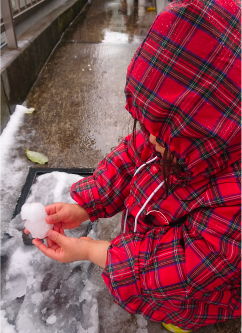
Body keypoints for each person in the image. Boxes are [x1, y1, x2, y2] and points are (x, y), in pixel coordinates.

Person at [26, 0, 241, 331]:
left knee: (173, 293)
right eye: (147, 126)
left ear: (208, 134)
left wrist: (96, 251)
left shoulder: (233, 197)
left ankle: (181, 317)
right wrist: (86, 206)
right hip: (152, 246)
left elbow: (187, 268)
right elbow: (129, 159)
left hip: (201, 288)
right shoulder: (176, 137)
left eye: (163, 137)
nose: (149, 140)